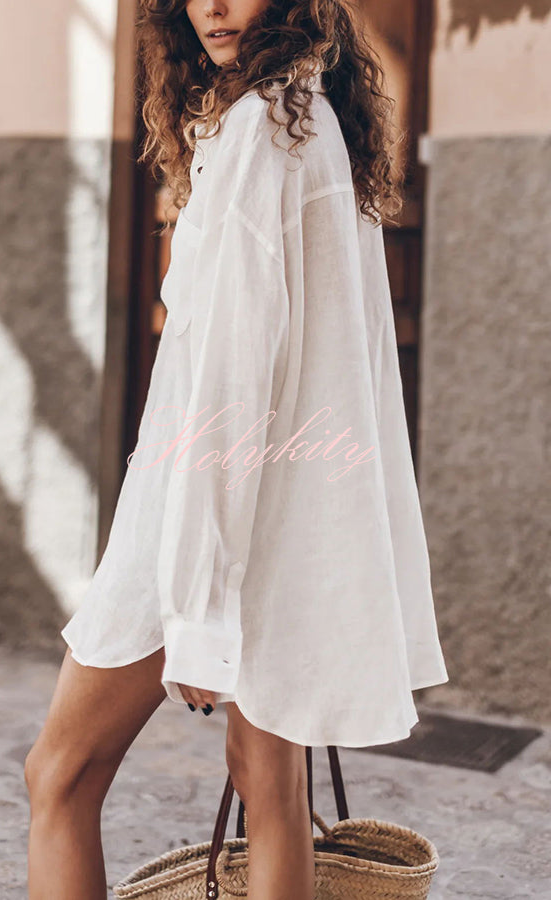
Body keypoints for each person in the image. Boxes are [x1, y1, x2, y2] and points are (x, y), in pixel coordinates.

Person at [24, 1, 449, 898]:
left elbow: (228, 387)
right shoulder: (313, 118)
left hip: (200, 513)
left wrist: (201, 608)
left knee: (59, 777)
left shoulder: (262, 130)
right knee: (272, 792)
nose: (212, 5)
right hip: (289, 519)